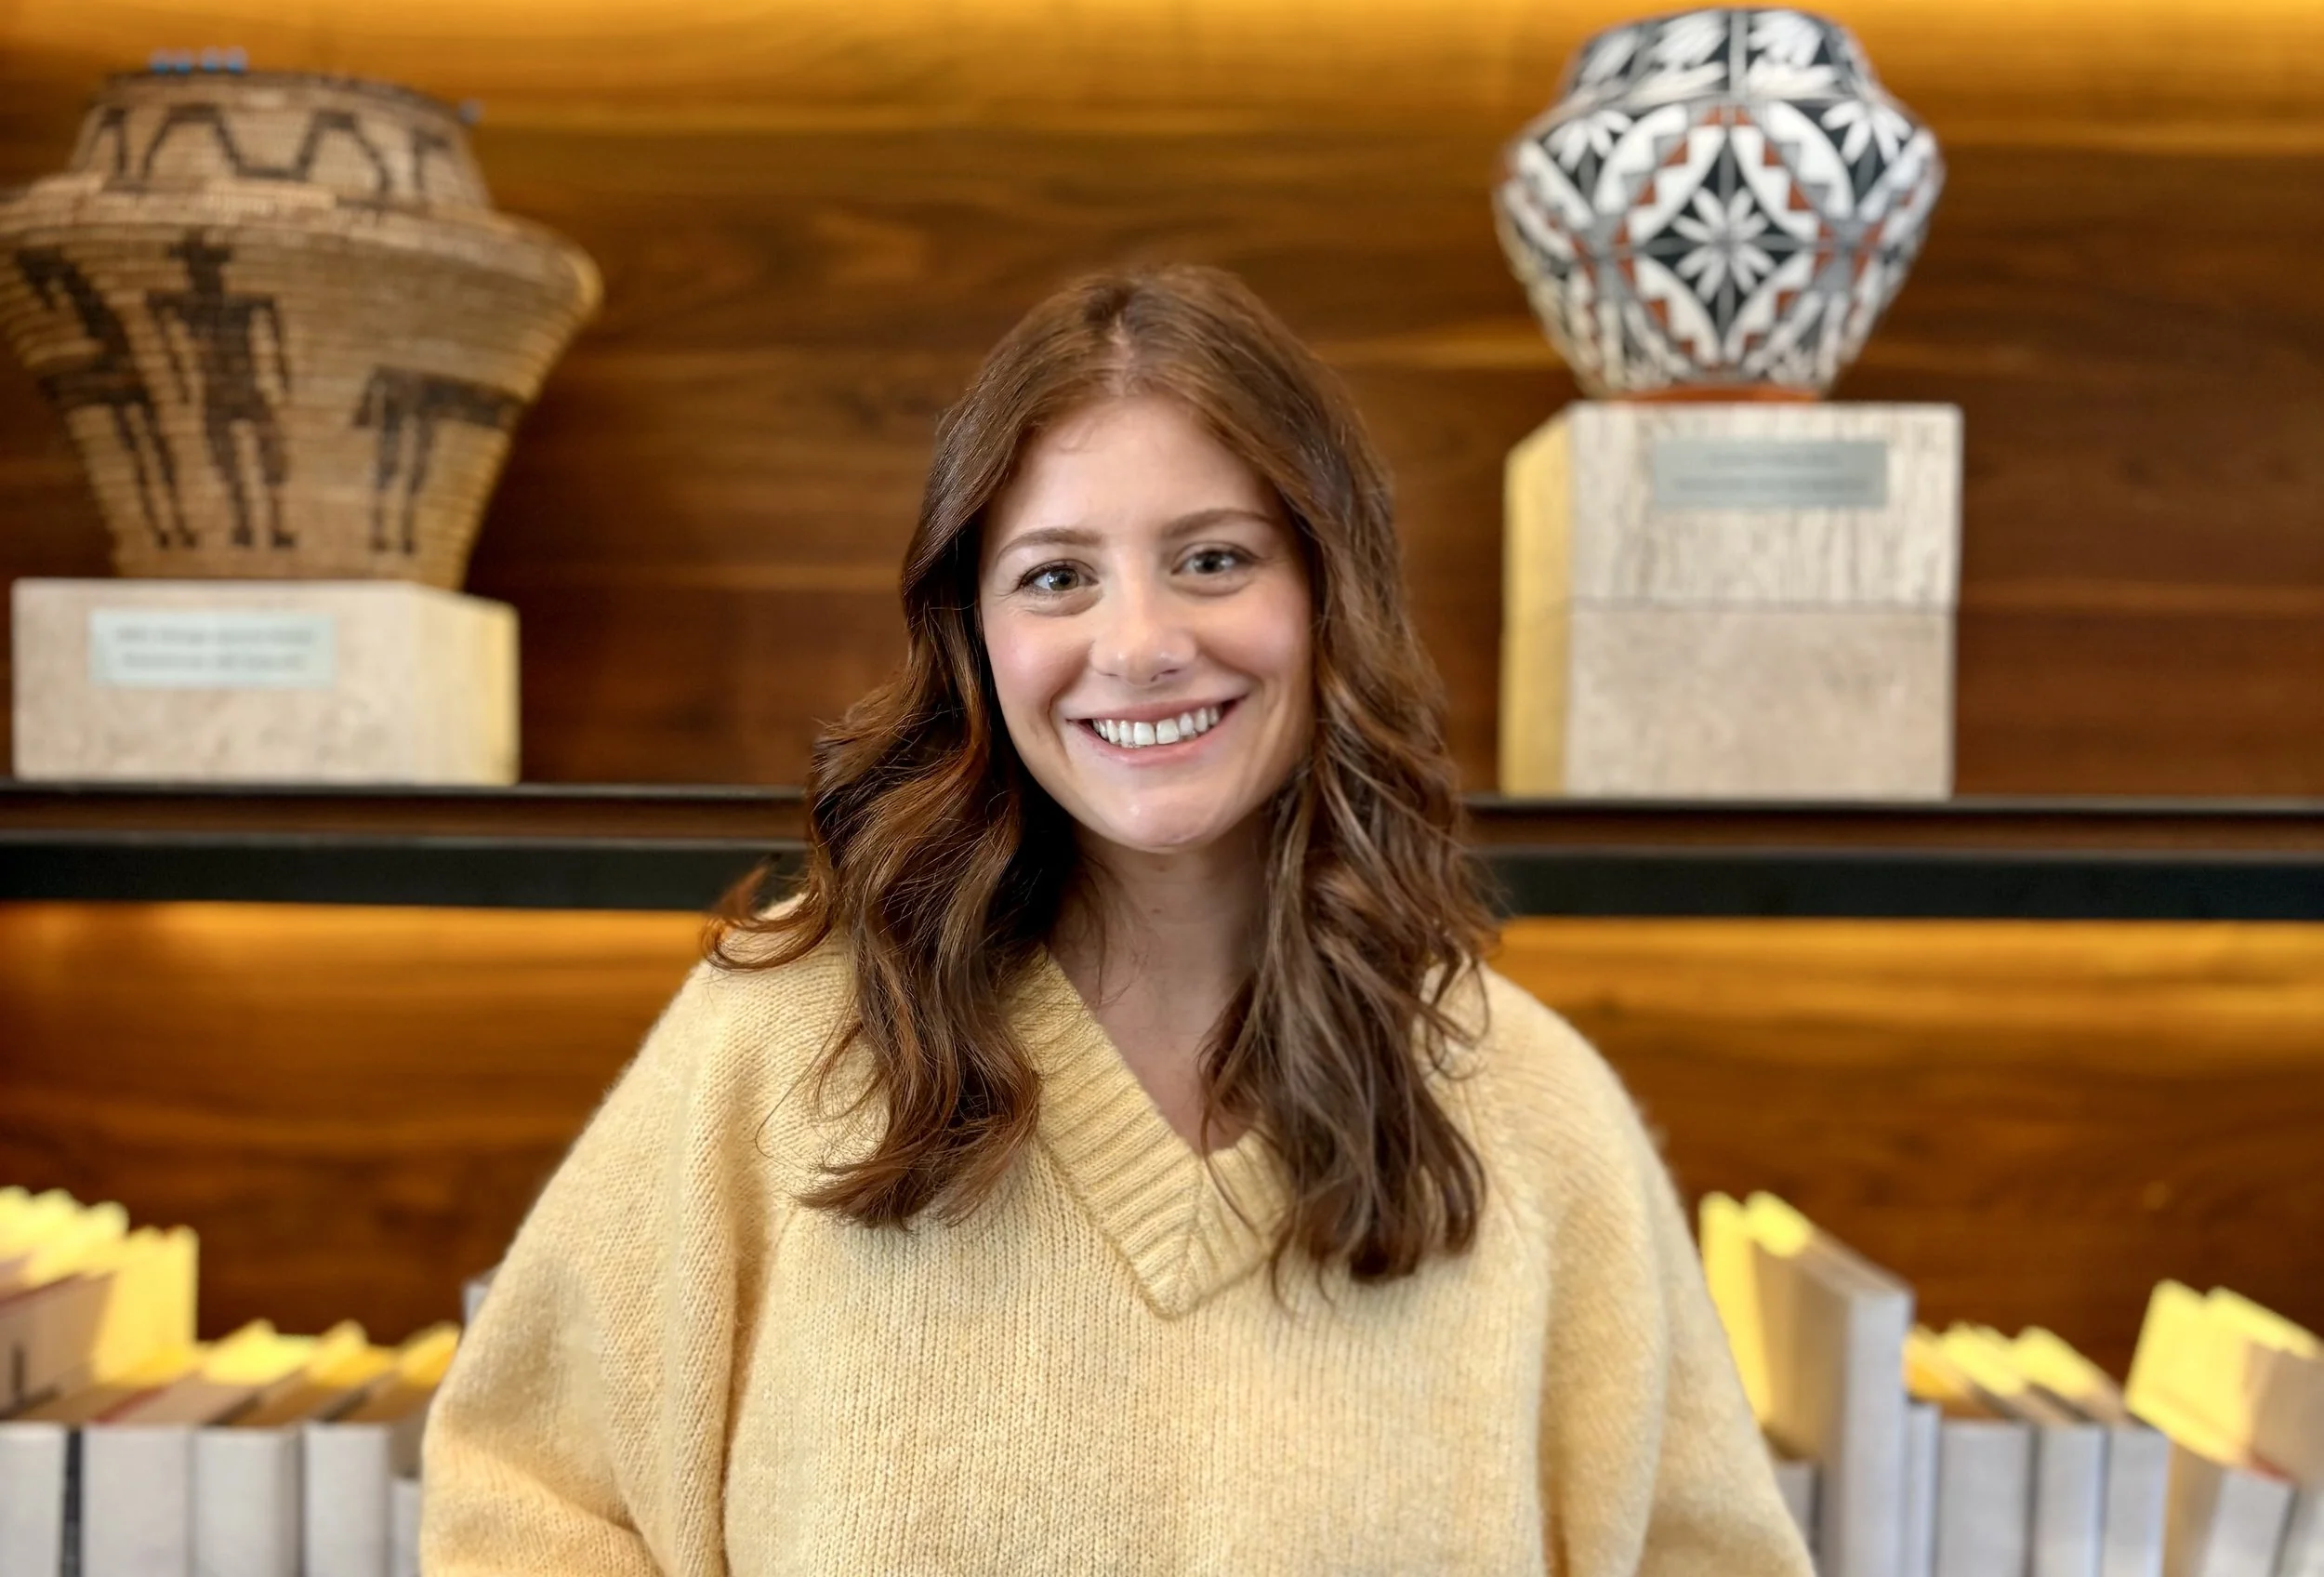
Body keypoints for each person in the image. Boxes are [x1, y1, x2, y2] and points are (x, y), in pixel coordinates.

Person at [419, 264, 1813, 1576]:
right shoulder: (781, 1041)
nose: (1138, 642)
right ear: (975, 636)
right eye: (1056, 575)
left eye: (1213, 560)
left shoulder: (1534, 1112)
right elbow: (524, 1510)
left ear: (1334, 599)